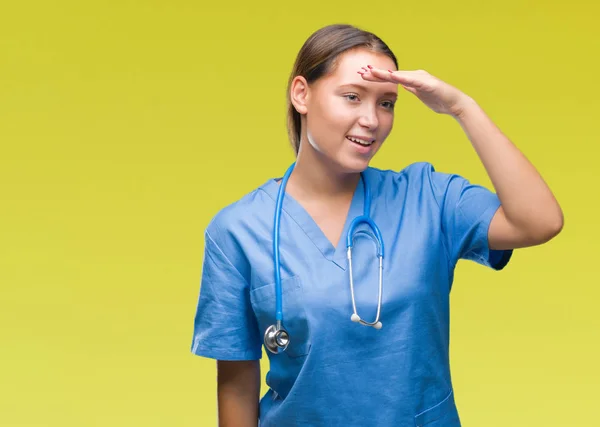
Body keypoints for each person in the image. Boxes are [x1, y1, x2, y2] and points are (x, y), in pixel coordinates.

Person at [190, 24, 563, 427]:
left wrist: (461, 107)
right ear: (302, 94)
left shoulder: (428, 198)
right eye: (352, 97)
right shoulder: (238, 231)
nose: (371, 120)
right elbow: (235, 385)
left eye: (386, 104)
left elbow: (539, 221)